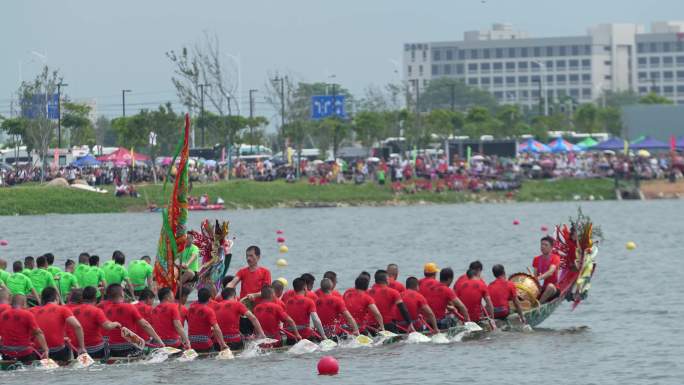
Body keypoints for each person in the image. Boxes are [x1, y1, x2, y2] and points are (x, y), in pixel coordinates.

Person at [103, 284, 164, 357]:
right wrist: (160, 341)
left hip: (111, 349)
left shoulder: (104, 308)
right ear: (122, 293)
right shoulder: (129, 307)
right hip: (130, 348)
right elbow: (145, 325)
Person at [32, 287, 86, 361]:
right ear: (57, 297)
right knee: (67, 345)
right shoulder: (62, 309)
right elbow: (78, 326)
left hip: (40, 352)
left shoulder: (33, 311)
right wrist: (82, 347)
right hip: (57, 350)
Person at [71, 286, 121, 359]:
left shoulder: (73, 310)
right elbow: (108, 326)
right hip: (95, 348)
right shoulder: (96, 311)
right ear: (95, 298)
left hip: (77, 349)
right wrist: (116, 323)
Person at [0, 294, 49, 363]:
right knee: (38, 356)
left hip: (6, 353)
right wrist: (46, 349)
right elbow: (38, 333)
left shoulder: (3, 315)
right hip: (24, 354)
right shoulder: (27, 314)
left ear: (11, 303)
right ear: (24, 303)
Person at [284, 278, 327, 342]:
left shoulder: (288, 302)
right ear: (305, 288)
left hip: (290, 336)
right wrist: (323, 336)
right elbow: (316, 320)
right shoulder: (309, 301)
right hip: (304, 336)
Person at [186, 288, 228, 353]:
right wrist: (223, 344)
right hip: (205, 343)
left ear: (198, 297)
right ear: (209, 298)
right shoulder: (209, 311)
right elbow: (216, 328)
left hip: (192, 341)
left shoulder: (190, 308)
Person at [533, 236, 562, 303]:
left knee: (550, 286)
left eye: (546, 245)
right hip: (541, 289)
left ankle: (538, 305)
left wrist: (539, 278)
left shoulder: (555, 258)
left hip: (553, 289)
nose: (543, 246)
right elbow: (535, 275)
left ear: (551, 248)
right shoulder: (536, 259)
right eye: (542, 244)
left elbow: (550, 272)